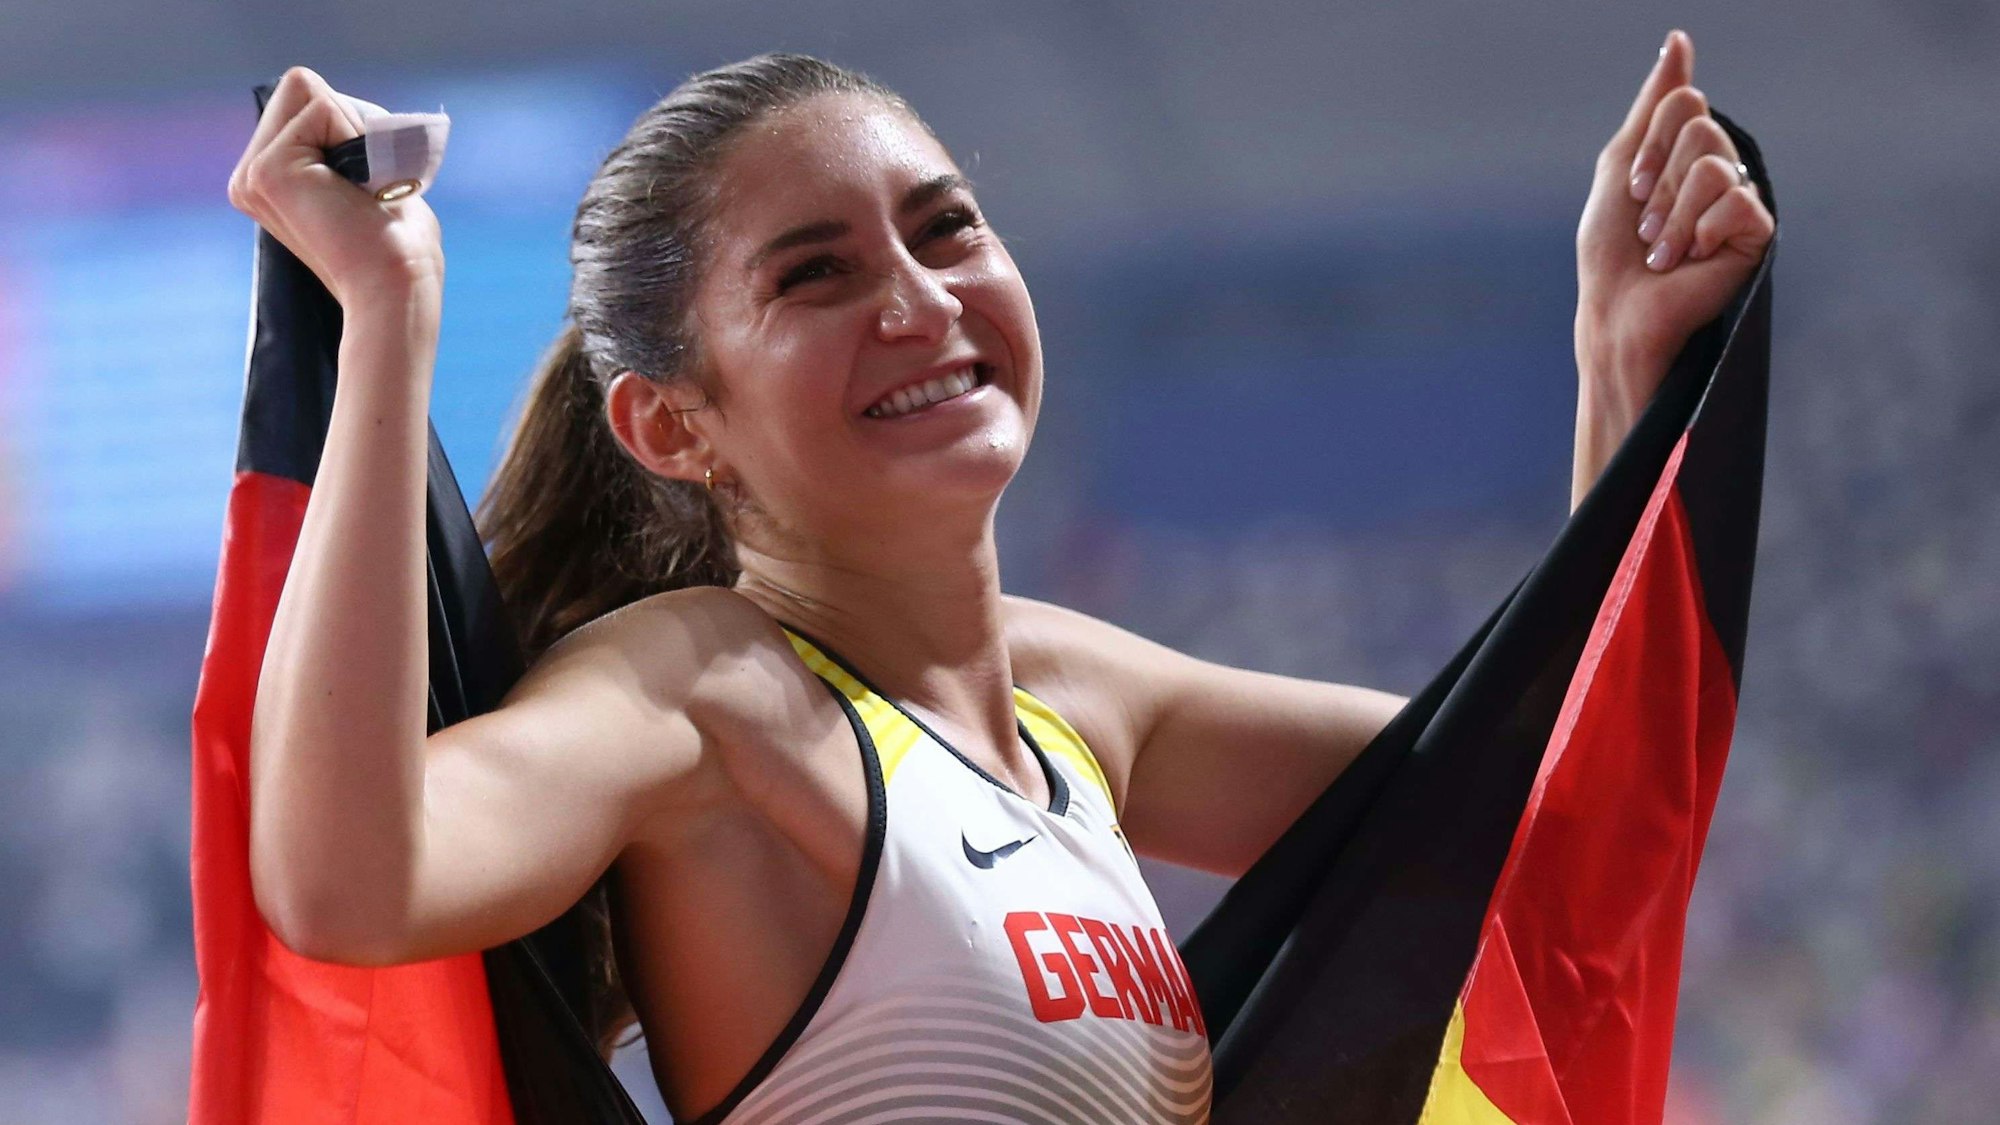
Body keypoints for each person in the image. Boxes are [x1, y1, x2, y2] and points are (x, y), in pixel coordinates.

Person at [227, 29, 1770, 1125]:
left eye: (946, 228)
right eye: (815, 273)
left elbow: (1546, 821)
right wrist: (386, 325)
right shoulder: (702, 694)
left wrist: (1618, 366)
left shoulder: (1081, 697)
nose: (919, 300)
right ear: (670, 423)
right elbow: (351, 881)